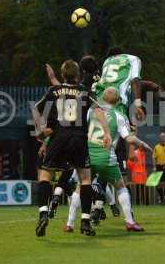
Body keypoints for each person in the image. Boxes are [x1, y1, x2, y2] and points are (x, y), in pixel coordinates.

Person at [34, 59, 111, 237]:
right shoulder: (84, 91)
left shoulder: (54, 91)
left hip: (58, 138)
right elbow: (98, 110)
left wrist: (40, 130)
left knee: (45, 176)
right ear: (78, 75)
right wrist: (106, 132)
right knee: (85, 179)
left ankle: (43, 213)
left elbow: (37, 109)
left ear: (63, 75)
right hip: (78, 139)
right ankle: (85, 221)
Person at [88, 87, 152, 231]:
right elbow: (129, 138)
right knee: (121, 187)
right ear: (118, 100)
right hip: (106, 157)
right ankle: (129, 221)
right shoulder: (119, 116)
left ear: (103, 98)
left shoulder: (90, 112)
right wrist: (143, 145)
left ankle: (72, 222)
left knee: (81, 187)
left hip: (89, 156)